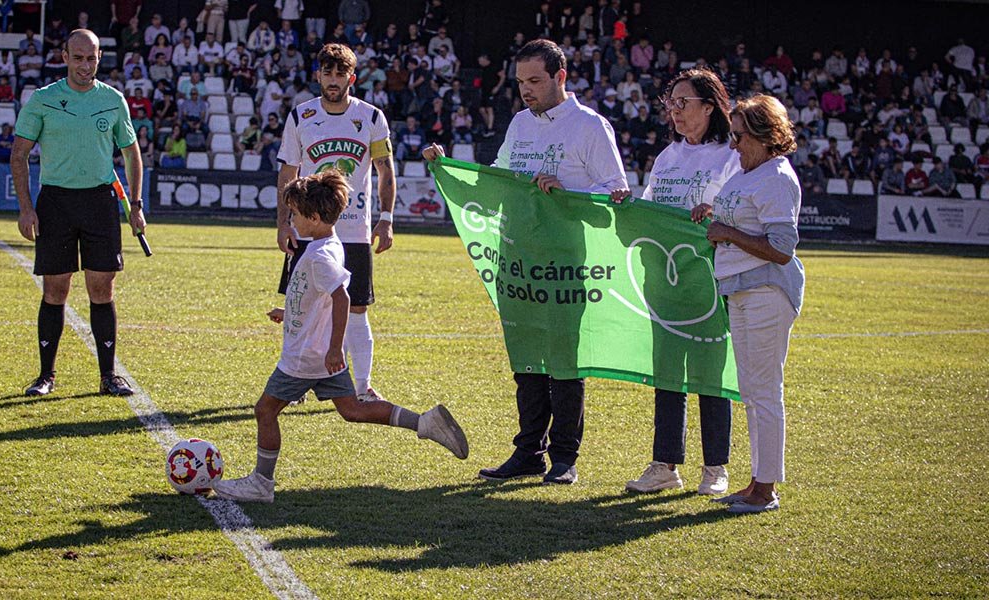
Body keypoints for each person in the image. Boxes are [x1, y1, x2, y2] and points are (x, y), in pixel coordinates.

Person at [424, 39, 627, 485]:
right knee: (527, 360)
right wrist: (448, 168)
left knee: (564, 363)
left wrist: (570, 193)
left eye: (535, 81)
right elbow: (499, 183)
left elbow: (615, 196)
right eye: (520, 82)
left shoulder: (590, 127)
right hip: (517, 260)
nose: (526, 91)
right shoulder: (519, 123)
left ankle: (565, 458)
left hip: (567, 262)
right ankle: (528, 452)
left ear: (561, 76)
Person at [212, 170, 468, 503]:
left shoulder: (319, 256)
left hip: (306, 357)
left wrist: (335, 348)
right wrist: (290, 314)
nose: (292, 219)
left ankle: (261, 483)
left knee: (265, 410)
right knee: (352, 410)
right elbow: (318, 298)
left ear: (314, 218)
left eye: (296, 214)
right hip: (319, 352)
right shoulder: (328, 243)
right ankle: (425, 422)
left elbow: (342, 297)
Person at [606, 69, 741, 496]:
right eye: (671, 103)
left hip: (709, 284)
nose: (675, 111)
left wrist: (714, 212)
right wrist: (626, 208)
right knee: (666, 375)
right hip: (663, 284)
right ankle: (665, 464)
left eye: (684, 103)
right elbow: (645, 219)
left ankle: (716, 467)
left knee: (709, 374)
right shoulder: (667, 158)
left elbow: (742, 213)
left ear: (710, 106)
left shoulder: (731, 156)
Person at [11, 29, 146, 398]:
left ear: (99, 58)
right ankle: (45, 376)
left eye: (92, 58)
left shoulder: (113, 99)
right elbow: (19, 155)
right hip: (55, 203)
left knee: (101, 287)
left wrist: (135, 205)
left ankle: (109, 377)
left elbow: (132, 155)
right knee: (56, 289)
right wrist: (26, 208)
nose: (85, 65)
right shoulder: (43, 100)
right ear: (65, 56)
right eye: (78, 58)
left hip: (100, 202)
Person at [276, 43, 397, 404]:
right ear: (318, 76)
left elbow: (385, 170)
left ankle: (363, 385)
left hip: (355, 230)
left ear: (351, 77)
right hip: (308, 230)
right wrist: (284, 223)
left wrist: (386, 218)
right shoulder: (300, 116)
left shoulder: (372, 117)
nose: (333, 80)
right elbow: (288, 171)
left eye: (340, 73)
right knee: (302, 307)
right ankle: (296, 382)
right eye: (327, 73)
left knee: (357, 306)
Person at [705, 94, 805, 513]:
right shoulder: (748, 173)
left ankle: (765, 490)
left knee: (764, 391)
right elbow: (734, 220)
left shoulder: (777, 178)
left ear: (767, 136)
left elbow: (782, 248)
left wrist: (727, 233)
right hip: (741, 289)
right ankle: (756, 483)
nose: (733, 144)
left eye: (739, 135)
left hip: (766, 290)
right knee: (751, 390)